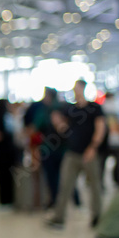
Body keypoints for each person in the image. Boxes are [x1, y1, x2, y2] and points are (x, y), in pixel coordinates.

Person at [46, 80, 106, 230]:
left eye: (78, 88)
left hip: (89, 153)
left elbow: (100, 128)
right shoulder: (70, 109)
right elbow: (60, 122)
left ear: (84, 88)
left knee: (95, 186)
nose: (75, 91)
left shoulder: (94, 108)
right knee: (65, 185)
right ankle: (59, 217)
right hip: (72, 153)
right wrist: (60, 125)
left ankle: (97, 217)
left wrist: (93, 147)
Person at [24, 87, 64, 208]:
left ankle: (56, 201)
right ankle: (71, 201)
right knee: (63, 176)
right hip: (63, 149)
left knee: (52, 177)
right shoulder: (63, 109)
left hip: (50, 149)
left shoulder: (44, 111)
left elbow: (35, 128)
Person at [0, 99, 18, 209]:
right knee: (6, 176)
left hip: (1, 153)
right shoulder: (6, 118)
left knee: (3, 176)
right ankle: (7, 200)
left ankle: (5, 200)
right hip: (7, 152)